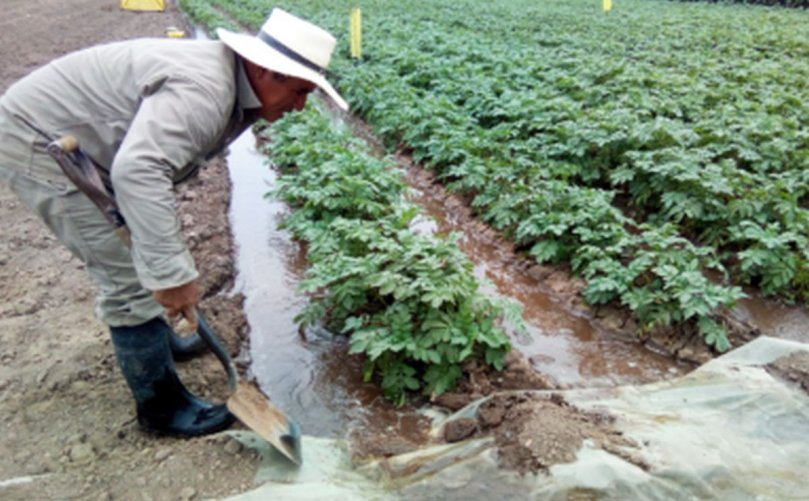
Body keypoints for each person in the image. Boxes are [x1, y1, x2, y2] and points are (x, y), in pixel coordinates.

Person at [0, 8, 347, 437]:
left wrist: (162, 258)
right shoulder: (205, 93)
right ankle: (163, 409)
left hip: (95, 144)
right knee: (127, 279)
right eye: (299, 91)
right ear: (264, 69)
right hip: (39, 139)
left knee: (147, 246)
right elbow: (139, 172)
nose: (299, 106)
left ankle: (165, 345)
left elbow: (146, 172)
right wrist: (171, 275)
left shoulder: (237, 87)